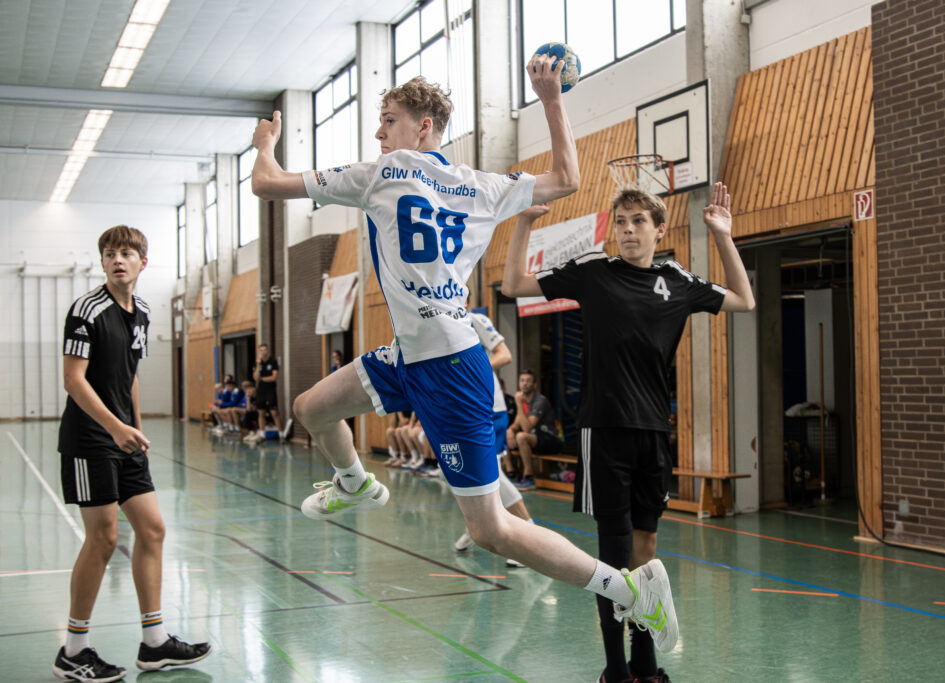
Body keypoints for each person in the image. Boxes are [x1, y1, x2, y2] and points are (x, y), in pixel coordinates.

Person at [250, 56, 678, 654]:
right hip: (412, 354)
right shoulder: (481, 185)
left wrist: (264, 144)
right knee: (311, 407)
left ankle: (628, 589)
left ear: (422, 127)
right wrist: (551, 98)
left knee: (491, 531)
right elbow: (567, 176)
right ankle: (353, 482)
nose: (379, 132)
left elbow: (267, 183)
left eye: (388, 119)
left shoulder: (383, 172)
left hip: (450, 367)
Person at [502, 183, 756, 683]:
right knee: (613, 556)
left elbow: (744, 300)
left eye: (639, 221)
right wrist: (525, 221)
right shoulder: (594, 272)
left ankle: (644, 663)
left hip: (653, 432)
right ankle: (615, 670)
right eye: (621, 221)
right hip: (604, 430)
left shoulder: (676, 280)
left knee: (646, 550)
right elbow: (512, 284)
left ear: (660, 230)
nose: (628, 230)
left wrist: (723, 236)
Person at [54, 225, 211, 682]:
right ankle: (73, 651)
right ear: (102, 262)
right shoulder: (86, 311)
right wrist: (115, 427)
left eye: (126, 253)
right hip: (89, 439)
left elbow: (130, 376)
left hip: (124, 440)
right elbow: (73, 380)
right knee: (103, 538)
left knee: (153, 529)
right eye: (109, 254)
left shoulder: (141, 312)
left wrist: (135, 430)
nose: (117, 260)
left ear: (143, 261)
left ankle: (155, 642)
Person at [451, 310, 536, 568]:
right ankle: (480, 526)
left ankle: (529, 534)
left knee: (493, 475)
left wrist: (470, 371)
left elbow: (504, 355)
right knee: (458, 471)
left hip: (489, 409)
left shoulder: (475, 320)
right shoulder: (438, 323)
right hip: (463, 409)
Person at [505, 368, 563, 490]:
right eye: (522, 380)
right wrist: (510, 431)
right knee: (503, 435)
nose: (524, 383)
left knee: (521, 436)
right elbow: (516, 424)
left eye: (528, 381)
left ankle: (529, 477)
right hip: (535, 440)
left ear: (534, 384)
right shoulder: (523, 401)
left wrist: (519, 404)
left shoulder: (540, 400)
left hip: (551, 440)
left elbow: (527, 428)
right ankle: (511, 474)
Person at [249, 344, 281, 442]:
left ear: (268, 351)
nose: (263, 352)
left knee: (274, 412)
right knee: (261, 412)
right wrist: (258, 365)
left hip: (270, 389)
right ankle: (262, 435)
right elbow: (255, 378)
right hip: (261, 390)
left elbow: (274, 377)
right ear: (259, 352)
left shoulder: (273, 361)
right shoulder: (257, 363)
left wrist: (262, 379)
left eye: (265, 350)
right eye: (261, 350)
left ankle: (281, 435)